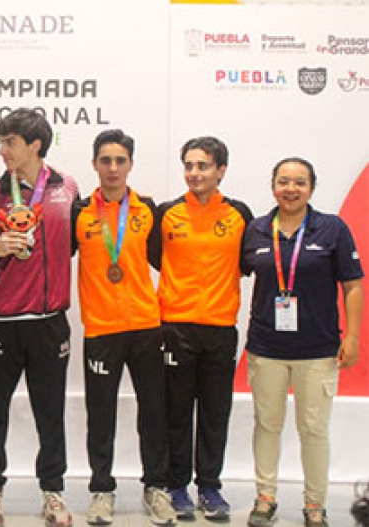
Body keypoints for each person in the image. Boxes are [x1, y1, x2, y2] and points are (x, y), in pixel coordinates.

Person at [0, 108, 79, 527]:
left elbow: (70, 247)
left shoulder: (67, 189)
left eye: (10, 142)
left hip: (50, 321)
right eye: (1, 142)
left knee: (50, 410)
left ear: (35, 144)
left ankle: (53, 492)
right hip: (4, 324)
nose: (2, 150)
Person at [242, 157, 363, 527]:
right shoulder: (257, 229)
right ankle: (265, 497)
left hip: (318, 349)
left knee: (313, 429)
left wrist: (353, 336)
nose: (290, 189)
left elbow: (353, 285)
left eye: (299, 182)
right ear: (273, 186)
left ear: (311, 188)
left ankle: (314, 504)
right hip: (266, 348)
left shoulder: (332, 229)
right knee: (267, 425)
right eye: (283, 181)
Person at [71, 129, 176, 526]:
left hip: (146, 326)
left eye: (120, 160)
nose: (113, 168)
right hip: (101, 329)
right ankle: (102, 489)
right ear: (94, 164)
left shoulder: (148, 209)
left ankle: (156, 487)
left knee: (153, 411)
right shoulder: (80, 212)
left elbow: (168, 262)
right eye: (105, 160)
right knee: (101, 415)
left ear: (130, 164)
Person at [158, 137, 253, 521]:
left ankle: (210, 488)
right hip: (176, 327)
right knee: (177, 412)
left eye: (203, 166)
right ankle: (177, 486)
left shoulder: (239, 214)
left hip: (220, 327)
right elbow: (155, 257)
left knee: (215, 413)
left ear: (220, 170)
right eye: (189, 166)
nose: (194, 173)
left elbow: (246, 263)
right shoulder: (167, 214)